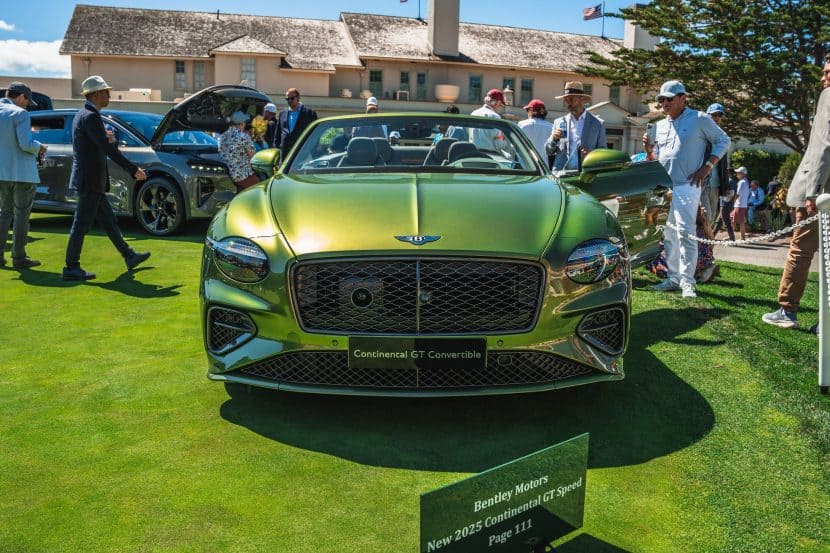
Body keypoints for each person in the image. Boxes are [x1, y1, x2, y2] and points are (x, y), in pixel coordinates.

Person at [644, 79, 731, 299]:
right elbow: (654, 159)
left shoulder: (699, 118)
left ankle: (687, 282)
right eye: (661, 99)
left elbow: (723, 140)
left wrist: (707, 167)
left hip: (687, 186)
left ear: (683, 98)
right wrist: (648, 149)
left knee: (686, 233)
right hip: (664, 188)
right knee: (668, 234)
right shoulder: (659, 125)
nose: (664, 102)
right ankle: (673, 278)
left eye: (669, 98)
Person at [762, 55, 830, 332]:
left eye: (828, 72)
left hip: (819, 192)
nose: (824, 78)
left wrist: (812, 192)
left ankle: (787, 310)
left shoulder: (828, 96)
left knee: (800, 251)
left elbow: (824, 145)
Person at [62, 75, 150, 281]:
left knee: (109, 221)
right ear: (96, 94)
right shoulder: (90, 116)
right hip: (90, 180)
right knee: (81, 225)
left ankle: (129, 256)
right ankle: (71, 267)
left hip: (91, 181)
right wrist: (133, 169)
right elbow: (107, 149)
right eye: (106, 92)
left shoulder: (83, 114)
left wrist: (109, 140)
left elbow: (101, 144)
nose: (109, 95)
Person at [0, 82, 46, 269]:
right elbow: (25, 144)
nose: (27, 105)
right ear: (20, 96)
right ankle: (19, 257)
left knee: (4, 213)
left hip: (2, 173)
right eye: (27, 101)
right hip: (22, 173)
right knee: (21, 215)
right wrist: (40, 147)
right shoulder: (20, 114)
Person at [545, 81, 607, 172]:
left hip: (586, 174)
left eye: (571, 99)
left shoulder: (597, 124)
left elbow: (603, 153)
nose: (568, 103)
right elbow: (548, 151)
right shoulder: (558, 122)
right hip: (561, 174)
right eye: (566, 100)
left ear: (581, 99)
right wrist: (553, 139)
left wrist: (591, 155)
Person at [700, 103, 730, 228]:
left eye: (719, 115)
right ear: (707, 115)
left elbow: (724, 165)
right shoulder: (700, 135)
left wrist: (726, 186)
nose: (717, 117)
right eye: (714, 115)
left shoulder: (723, 138)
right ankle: (702, 239)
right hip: (701, 182)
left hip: (716, 185)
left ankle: (705, 240)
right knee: (705, 217)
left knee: (711, 219)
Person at [219, 111, 258, 190]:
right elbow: (254, 158)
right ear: (241, 124)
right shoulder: (244, 137)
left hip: (227, 176)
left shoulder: (222, 137)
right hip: (243, 177)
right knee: (263, 183)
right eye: (245, 123)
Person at [278, 88, 318, 158]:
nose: (290, 101)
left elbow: (315, 133)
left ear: (298, 98)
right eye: (287, 99)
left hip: (302, 151)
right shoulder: (282, 113)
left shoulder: (309, 113)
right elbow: (278, 133)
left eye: (292, 98)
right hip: (285, 152)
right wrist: (276, 148)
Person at [731, 166, 750, 241]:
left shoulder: (742, 182)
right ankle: (732, 236)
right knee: (734, 220)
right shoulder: (746, 181)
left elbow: (737, 194)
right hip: (741, 204)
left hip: (739, 205)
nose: (737, 174)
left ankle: (741, 238)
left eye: (738, 173)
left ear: (742, 174)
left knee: (738, 221)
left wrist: (732, 202)